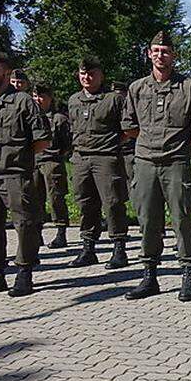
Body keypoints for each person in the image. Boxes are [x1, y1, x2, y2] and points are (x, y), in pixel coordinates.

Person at [121, 31, 191, 302]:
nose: (160, 55)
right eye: (156, 51)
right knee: (148, 220)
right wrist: (149, 140)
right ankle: (149, 277)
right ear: (149, 54)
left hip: (176, 163)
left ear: (174, 56)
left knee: (182, 219)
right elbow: (128, 124)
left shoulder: (189, 87)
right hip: (145, 163)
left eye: (165, 51)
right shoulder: (137, 88)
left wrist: (185, 138)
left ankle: (187, 274)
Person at [0, 50, 51, 297]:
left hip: (15, 174)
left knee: (25, 223)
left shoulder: (23, 101)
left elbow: (41, 140)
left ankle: (24, 272)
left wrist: (20, 159)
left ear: (6, 72)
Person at [66, 55, 130, 269]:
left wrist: (111, 144)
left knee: (112, 203)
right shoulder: (74, 99)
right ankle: (88, 247)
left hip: (106, 158)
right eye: (83, 73)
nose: (86, 77)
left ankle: (119, 248)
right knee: (85, 203)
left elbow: (128, 129)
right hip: (81, 158)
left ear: (101, 75)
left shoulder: (114, 99)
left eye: (91, 73)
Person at [31, 83, 72, 250]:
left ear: (50, 98)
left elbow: (67, 143)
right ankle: (37, 233)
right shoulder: (30, 117)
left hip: (52, 162)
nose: (38, 100)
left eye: (41, 96)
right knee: (34, 199)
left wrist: (58, 156)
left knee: (56, 198)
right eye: (35, 96)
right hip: (33, 162)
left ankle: (61, 232)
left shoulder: (58, 119)